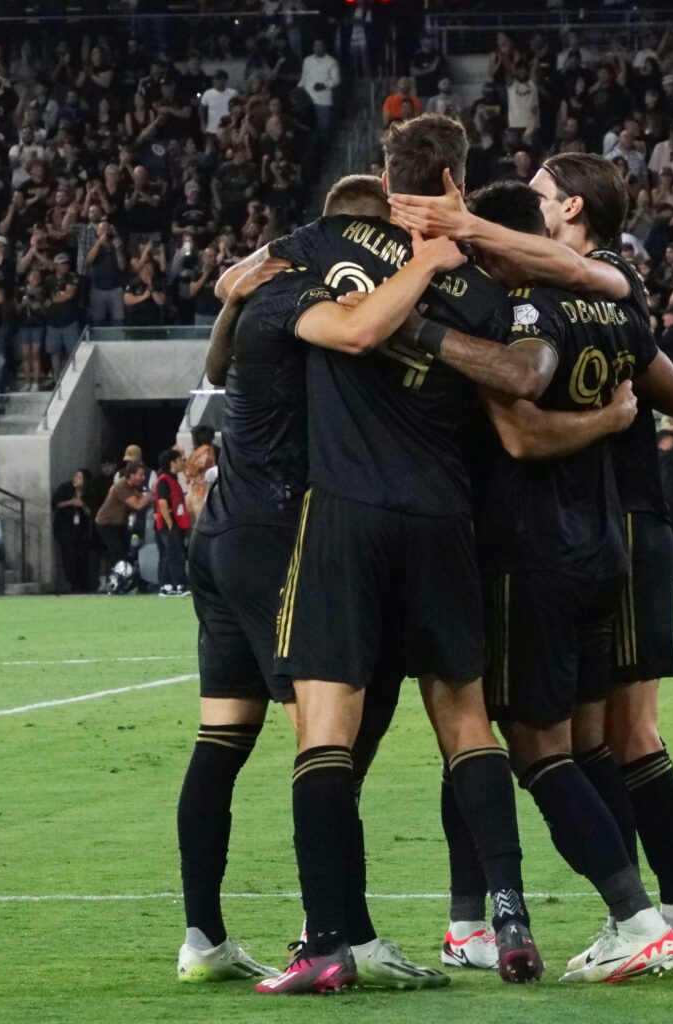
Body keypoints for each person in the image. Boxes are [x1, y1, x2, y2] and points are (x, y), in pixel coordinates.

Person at [388, 149, 673, 962]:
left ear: (571, 211)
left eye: (546, 198)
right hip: (600, 534)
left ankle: (659, 912)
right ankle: (606, 913)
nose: (538, 213)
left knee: (572, 739)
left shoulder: (573, 287)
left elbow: (524, 416)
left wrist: (444, 298)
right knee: (571, 740)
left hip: (565, 537)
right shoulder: (595, 293)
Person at [264, 115, 545, 993]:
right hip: (443, 519)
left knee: (326, 730)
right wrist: (442, 260)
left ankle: (326, 947)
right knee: (466, 721)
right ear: (457, 179)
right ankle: (510, 919)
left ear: (386, 179)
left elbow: (323, 323)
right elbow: (518, 376)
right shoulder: (488, 288)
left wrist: (414, 262)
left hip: (346, 516)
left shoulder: (320, 244)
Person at [180, 174, 478, 991]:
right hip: (279, 534)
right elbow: (357, 332)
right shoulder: (310, 301)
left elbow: (220, 340)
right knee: (334, 731)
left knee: (223, 740)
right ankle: (344, 934)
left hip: (225, 530)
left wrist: (238, 284)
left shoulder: (260, 293)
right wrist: (425, 265)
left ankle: (203, 936)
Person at [94, 461, 152, 573]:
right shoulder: (121, 486)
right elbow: (138, 504)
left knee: (126, 551)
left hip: (118, 524)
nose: (143, 478)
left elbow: (142, 500)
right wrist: (150, 494)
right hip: (105, 524)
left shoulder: (133, 487)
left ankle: (125, 578)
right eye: (140, 475)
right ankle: (113, 579)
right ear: (131, 475)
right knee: (118, 552)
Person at [154, 449, 190, 597]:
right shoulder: (163, 480)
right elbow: (162, 504)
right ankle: (179, 585)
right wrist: (170, 525)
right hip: (169, 525)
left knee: (170, 554)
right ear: (172, 463)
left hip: (174, 523)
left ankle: (166, 585)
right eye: (180, 460)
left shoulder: (172, 479)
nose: (183, 463)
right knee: (176, 555)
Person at [52, 468, 94, 593]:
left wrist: (83, 505)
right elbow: (55, 504)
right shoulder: (65, 488)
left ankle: (83, 585)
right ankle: (73, 584)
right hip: (65, 528)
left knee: (82, 557)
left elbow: (91, 512)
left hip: (81, 530)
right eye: (75, 476)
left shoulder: (89, 492)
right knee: (69, 557)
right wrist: (71, 502)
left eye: (80, 477)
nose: (76, 479)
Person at [183, 425, 216, 524]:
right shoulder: (197, 451)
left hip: (202, 490)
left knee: (200, 519)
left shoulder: (206, 451)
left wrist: (183, 460)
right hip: (194, 489)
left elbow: (194, 470)